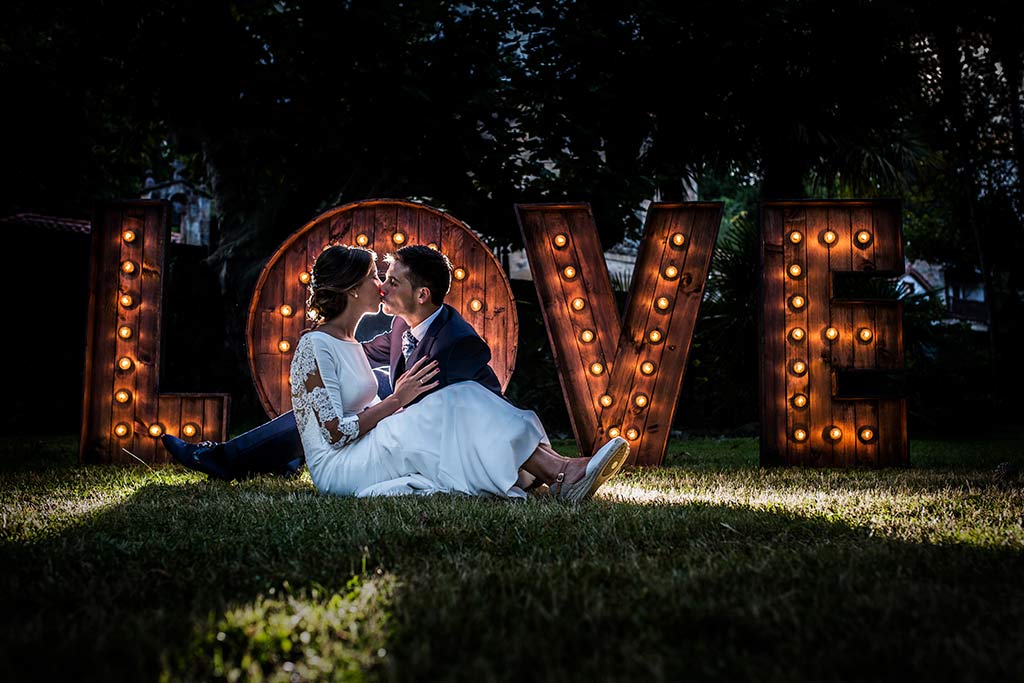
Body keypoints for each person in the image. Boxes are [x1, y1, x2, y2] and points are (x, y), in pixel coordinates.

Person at [164, 244, 628, 501]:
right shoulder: (317, 344)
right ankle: (560, 469)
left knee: (461, 397)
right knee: (454, 401)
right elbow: (332, 428)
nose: (381, 285)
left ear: (421, 294)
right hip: (340, 467)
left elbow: (477, 393)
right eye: (374, 278)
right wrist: (396, 401)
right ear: (350, 290)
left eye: (388, 279)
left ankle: (554, 469)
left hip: (371, 439)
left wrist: (396, 401)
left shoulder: (384, 341)